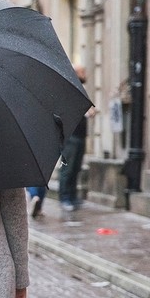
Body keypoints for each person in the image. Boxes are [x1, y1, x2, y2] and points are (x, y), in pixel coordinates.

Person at [59, 65, 95, 212]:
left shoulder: (79, 89)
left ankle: (72, 196)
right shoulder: (68, 89)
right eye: (82, 72)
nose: (85, 74)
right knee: (68, 168)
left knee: (76, 168)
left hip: (80, 134)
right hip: (71, 136)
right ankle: (65, 197)